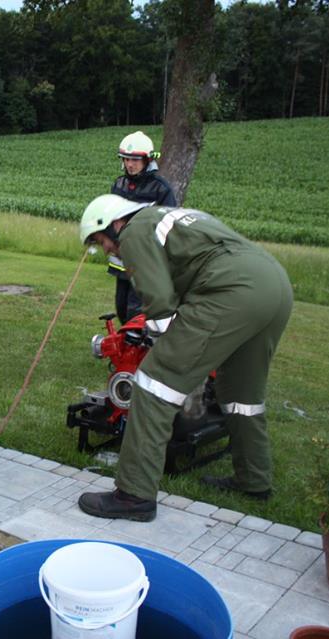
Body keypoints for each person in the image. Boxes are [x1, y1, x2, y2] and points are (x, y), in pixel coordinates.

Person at [76, 194, 293, 521]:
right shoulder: (169, 215)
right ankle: (254, 480)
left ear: (115, 223)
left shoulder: (134, 232)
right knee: (241, 394)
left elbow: (160, 305)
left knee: (152, 384)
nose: (106, 249)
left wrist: (164, 349)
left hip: (231, 292)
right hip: (273, 285)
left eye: (100, 240)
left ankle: (134, 495)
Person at [108, 131, 177, 324]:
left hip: (144, 261)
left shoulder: (161, 188)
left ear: (147, 160)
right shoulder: (119, 184)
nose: (130, 164)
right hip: (122, 261)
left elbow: (169, 225)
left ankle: (140, 342)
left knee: (136, 312)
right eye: (126, 159)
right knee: (122, 308)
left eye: (135, 160)